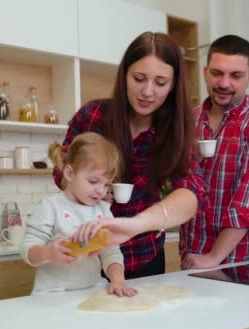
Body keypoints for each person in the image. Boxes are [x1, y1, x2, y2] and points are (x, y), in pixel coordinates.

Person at [57, 31, 207, 279]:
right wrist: (90, 187)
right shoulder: (93, 116)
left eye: (160, 83)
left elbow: (191, 192)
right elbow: (61, 171)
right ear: (124, 75)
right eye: (139, 78)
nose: (147, 91)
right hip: (87, 254)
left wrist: (134, 225)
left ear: (172, 86)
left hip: (144, 257)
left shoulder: (173, 130)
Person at [180, 34, 249, 270]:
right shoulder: (189, 119)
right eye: (217, 73)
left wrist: (212, 258)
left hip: (239, 263)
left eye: (236, 75)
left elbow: (248, 202)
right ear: (205, 72)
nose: (224, 83)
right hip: (191, 258)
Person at [19, 132, 137, 297]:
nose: (100, 191)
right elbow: (26, 250)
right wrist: (47, 253)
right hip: (52, 294)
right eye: (93, 181)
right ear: (70, 173)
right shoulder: (50, 207)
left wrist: (117, 279)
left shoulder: (103, 211)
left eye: (106, 185)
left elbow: (111, 251)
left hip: (92, 291)